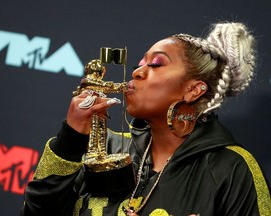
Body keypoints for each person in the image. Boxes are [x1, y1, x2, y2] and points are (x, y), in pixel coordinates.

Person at [21, 22, 271, 216]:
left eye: (156, 64)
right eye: (139, 65)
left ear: (194, 89)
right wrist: (71, 138)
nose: (138, 72)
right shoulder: (103, 148)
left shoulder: (231, 169)